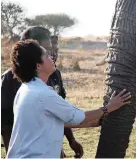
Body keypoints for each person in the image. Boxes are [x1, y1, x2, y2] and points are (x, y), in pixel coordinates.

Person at [6, 39, 131, 158]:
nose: (51, 57)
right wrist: (108, 108)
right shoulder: (43, 94)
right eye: (47, 56)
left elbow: (51, 121)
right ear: (38, 65)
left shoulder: (25, 89)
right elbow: (80, 117)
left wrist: (94, 122)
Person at [1, 27, 82, 158]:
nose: (51, 53)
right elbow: (6, 123)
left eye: (50, 49)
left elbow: (60, 110)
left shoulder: (54, 74)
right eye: (45, 50)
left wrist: (70, 140)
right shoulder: (11, 79)